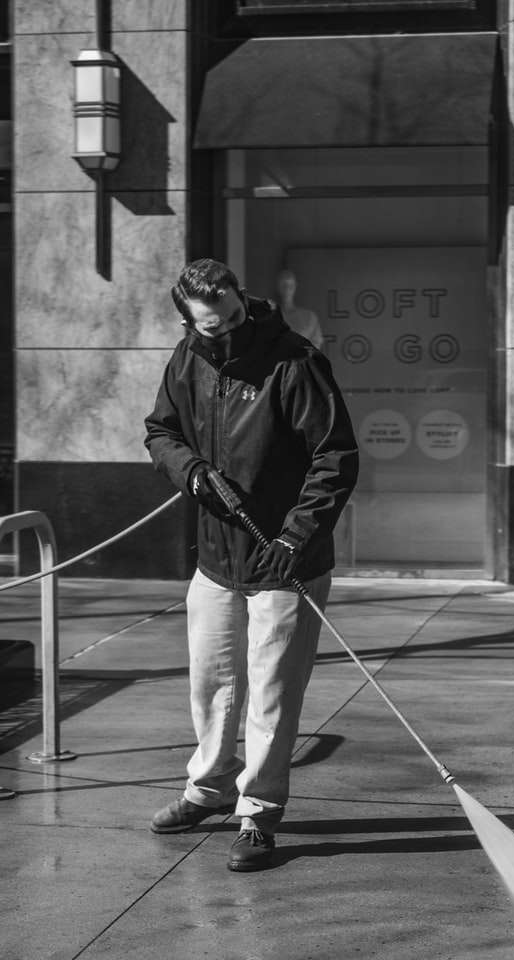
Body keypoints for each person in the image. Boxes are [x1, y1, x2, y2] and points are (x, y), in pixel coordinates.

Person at [144, 258, 358, 872]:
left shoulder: (295, 361)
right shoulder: (186, 360)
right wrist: (190, 472)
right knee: (211, 684)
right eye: (212, 326)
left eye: (234, 316)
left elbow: (336, 458)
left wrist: (294, 537)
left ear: (243, 297)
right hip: (216, 557)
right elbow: (160, 431)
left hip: (286, 559)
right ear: (189, 322)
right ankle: (208, 789)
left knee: (271, 695)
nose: (228, 331)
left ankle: (258, 815)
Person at [276, 268, 324, 349]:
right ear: (278, 287)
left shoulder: (309, 317)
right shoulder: (267, 317)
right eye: (284, 285)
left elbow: (316, 345)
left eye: (290, 286)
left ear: (295, 287)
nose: (287, 289)